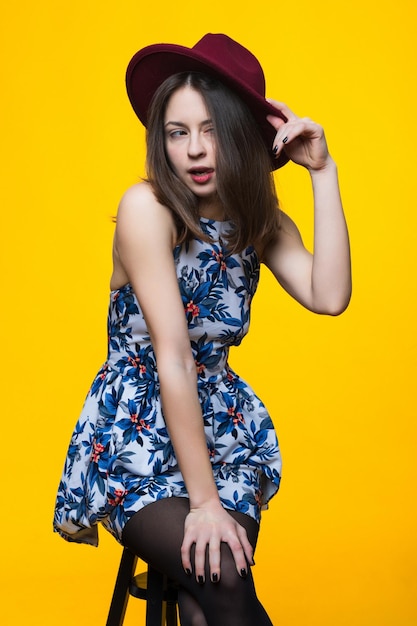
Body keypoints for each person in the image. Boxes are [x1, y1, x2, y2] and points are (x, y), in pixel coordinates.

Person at [53, 33, 351, 626]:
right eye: (178, 131)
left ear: (243, 133)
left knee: (210, 593)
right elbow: (173, 357)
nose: (194, 149)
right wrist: (205, 504)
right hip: (135, 431)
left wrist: (323, 171)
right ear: (160, 141)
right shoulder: (148, 208)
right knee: (223, 581)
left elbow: (330, 295)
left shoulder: (258, 222)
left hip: (222, 432)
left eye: (212, 128)